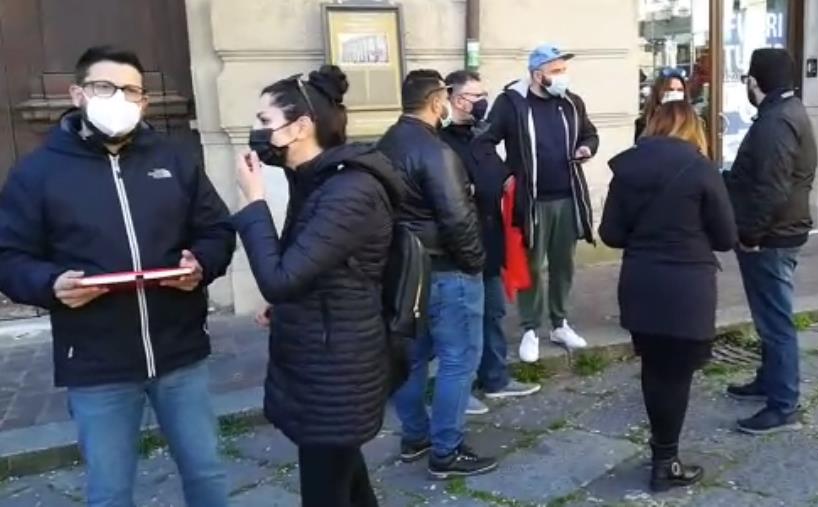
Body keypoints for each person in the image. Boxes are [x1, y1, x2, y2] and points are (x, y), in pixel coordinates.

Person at [0, 46, 234, 507]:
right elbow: (9, 257)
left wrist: (201, 266)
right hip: (96, 362)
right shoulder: (38, 173)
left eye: (130, 90)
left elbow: (217, 229)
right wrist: (51, 285)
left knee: (207, 475)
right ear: (78, 93)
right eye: (104, 87)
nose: (118, 98)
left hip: (180, 352)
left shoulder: (176, 159)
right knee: (109, 491)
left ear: (144, 102)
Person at [233, 66, 398, 506]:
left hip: (339, 365)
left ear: (301, 127)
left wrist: (253, 203)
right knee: (345, 477)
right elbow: (310, 266)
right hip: (322, 356)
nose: (257, 131)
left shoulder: (349, 190)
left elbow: (279, 279)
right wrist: (289, 306)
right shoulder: (316, 181)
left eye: (265, 122)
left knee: (325, 487)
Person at [599, 101, 736, 493]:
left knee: (655, 370)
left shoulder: (625, 168)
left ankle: (662, 454)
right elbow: (726, 237)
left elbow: (611, 233)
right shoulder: (701, 169)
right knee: (676, 376)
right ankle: (666, 463)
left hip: (641, 283)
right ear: (694, 129)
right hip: (686, 287)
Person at [377, 69, 497, 479]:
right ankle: (446, 449)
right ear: (436, 101)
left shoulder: (386, 144)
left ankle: (416, 436)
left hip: (405, 271)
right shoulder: (435, 151)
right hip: (445, 269)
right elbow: (457, 218)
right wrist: (475, 263)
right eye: (446, 98)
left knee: (411, 358)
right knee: (458, 359)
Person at [479, 44, 599, 363]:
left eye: (563, 69)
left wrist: (587, 148)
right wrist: (505, 176)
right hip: (531, 201)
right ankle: (530, 328)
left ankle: (559, 323)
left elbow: (590, 134)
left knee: (564, 264)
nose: (563, 76)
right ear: (537, 75)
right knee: (531, 265)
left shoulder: (572, 102)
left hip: (567, 197)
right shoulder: (511, 103)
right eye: (556, 71)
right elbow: (485, 143)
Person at [725, 48, 818, 435]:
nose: (746, 83)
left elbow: (771, 189)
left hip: (771, 237)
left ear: (754, 81)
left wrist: (750, 234)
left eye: (748, 78)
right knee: (769, 316)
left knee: (775, 320)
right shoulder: (787, 111)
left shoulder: (776, 122)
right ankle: (769, 380)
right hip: (781, 230)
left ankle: (783, 404)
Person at [440, 70, 543, 416]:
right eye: (476, 95)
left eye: (485, 93)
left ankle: (495, 378)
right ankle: (460, 388)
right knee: (462, 322)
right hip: (461, 246)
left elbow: (495, 179)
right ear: (456, 100)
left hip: (490, 240)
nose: (484, 101)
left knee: (493, 312)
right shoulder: (443, 142)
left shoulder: (481, 137)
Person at [634, 67, 702, 147]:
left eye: (680, 90)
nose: (675, 93)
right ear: (659, 92)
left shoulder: (693, 121)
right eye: (670, 89)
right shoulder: (644, 122)